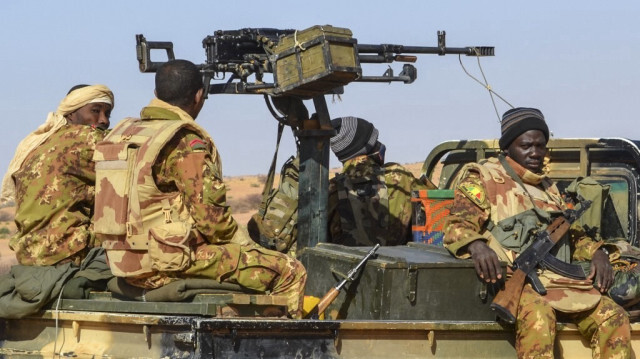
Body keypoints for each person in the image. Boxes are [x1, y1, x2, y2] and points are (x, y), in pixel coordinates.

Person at [94, 59, 306, 318]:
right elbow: (214, 224)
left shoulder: (123, 135)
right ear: (198, 96)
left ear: (156, 94)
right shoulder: (183, 141)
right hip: (165, 265)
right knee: (290, 271)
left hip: (121, 262)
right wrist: (252, 248)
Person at [443, 107, 631, 358]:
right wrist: (478, 246)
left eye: (540, 146)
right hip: (515, 282)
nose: (535, 153)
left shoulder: (549, 188)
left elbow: (572, 236)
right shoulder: (483, 177)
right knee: (539, 317)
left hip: (560, 281)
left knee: (614, 316)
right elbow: (457, 225)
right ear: (507, 147)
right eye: (526, 145)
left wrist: (598, 252)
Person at [3, 84, 113, 266]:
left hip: (28, 254)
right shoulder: (89, 139)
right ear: (71, 113)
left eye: (107, 114)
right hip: (69, 251)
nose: (104, 120)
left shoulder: (40, 143)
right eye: (95, 111)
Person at [327, 116, 427, 246]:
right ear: (366, 147)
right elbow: (436, 204)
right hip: (397, 265)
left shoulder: (331, 191)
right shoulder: (399, 178)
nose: (379, 145)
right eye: (375, 141)